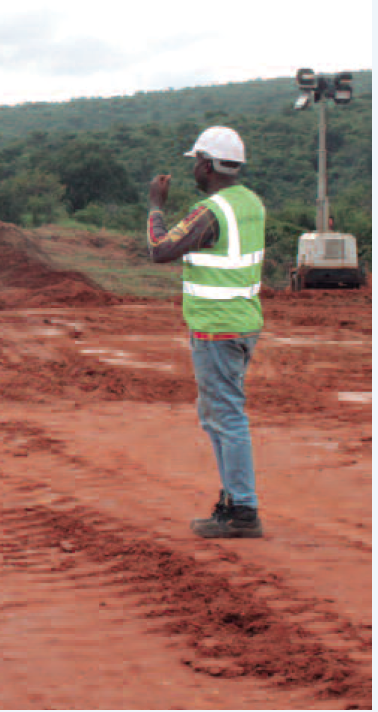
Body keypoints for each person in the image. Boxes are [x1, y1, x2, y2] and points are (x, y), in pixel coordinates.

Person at [147, 126, 265, 538]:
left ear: (209, 165)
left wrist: (156, 207)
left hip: (217, 327)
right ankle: (235, 501)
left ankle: (243, 511)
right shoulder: (250, 202)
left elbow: (160, 250)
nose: (195, 168)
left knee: (226, 416)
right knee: (218, 413)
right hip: (242, 323)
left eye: (197, 160)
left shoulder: (211, 210)